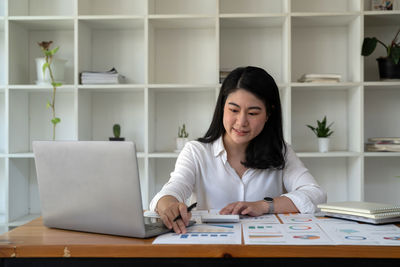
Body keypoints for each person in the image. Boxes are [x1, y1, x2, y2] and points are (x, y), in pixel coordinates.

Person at [149, 66, 327, 234]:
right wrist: (168, 204)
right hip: (211, 251)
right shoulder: (196, 152)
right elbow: (172, 189)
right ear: (222, 108)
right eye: (233, 110)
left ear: (268, 114)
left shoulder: (280, 151)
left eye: (253, 113)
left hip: (263, 249)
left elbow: (315, 194)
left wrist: (263, 206)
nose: (241, 122)